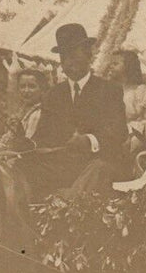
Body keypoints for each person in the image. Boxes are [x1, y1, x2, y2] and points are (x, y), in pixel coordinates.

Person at [26, 23, 130, 196]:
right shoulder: (54, 94)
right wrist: (28, 144)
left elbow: (119, 132)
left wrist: (89, 141)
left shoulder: (109, 90)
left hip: (100, 162)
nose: (68, 63)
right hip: (63, 166)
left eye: (74, 55)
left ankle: (65, 205)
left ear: (89, 54)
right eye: (63, 58)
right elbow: (43, 135)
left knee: (99, 169)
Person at [0, 67, 48, 152]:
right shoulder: (21, 110)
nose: (26, 91)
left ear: (42, 89)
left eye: (32, 86)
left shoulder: (38, 114)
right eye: (22, 86)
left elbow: (27, 147)